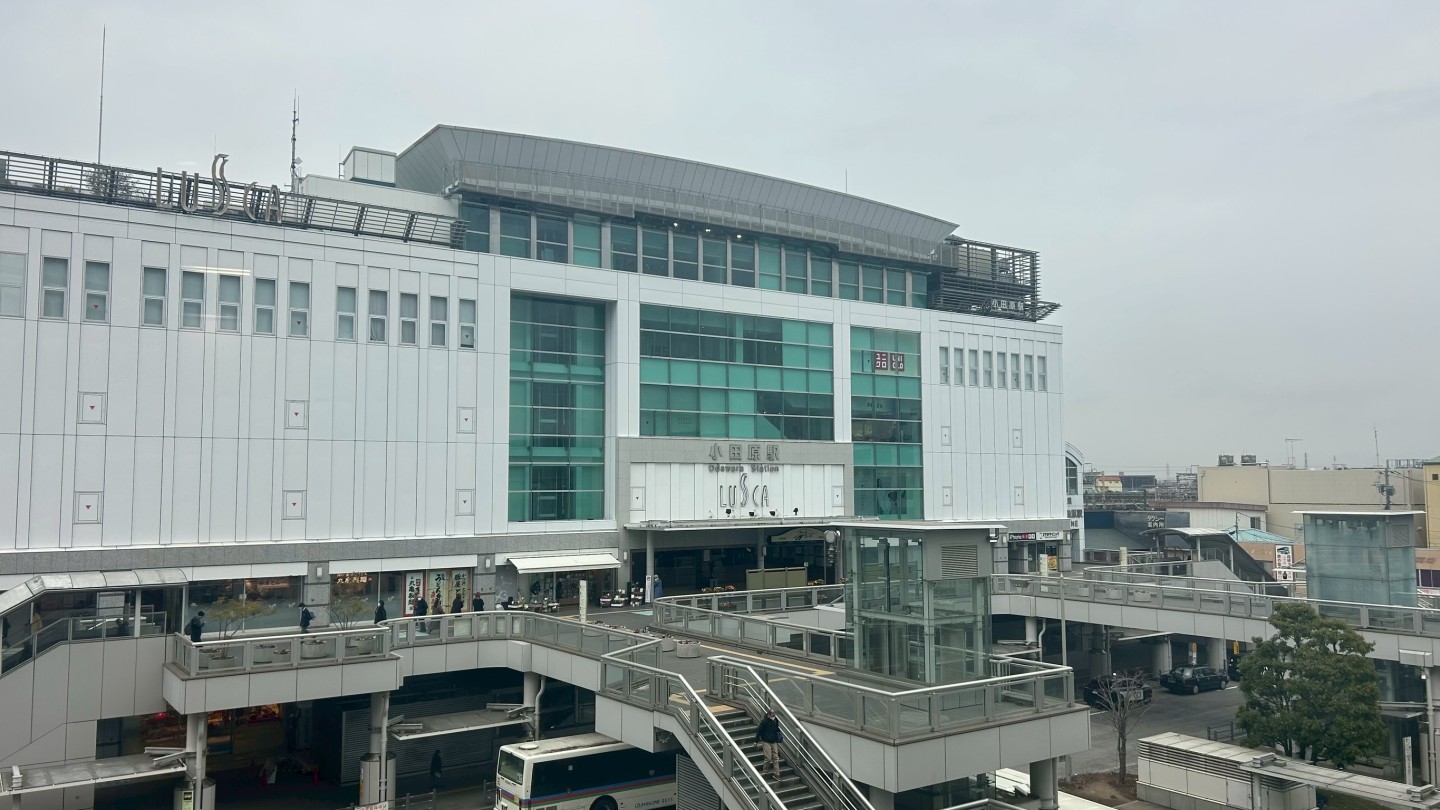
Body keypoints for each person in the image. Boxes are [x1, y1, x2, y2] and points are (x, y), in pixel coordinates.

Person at [755, 708, 783, 779]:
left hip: (774, 741)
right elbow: (759, 731)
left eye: (774, 714)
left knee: (776, 758)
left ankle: (777, 774)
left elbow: (776, 729)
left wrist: (778, 736)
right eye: (772, 715)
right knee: (768, 757)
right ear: (769, 715)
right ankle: (765, 770)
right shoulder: (764, 721)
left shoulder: (776, 720)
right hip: (766, 741)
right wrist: (756, 740)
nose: (773, 716)